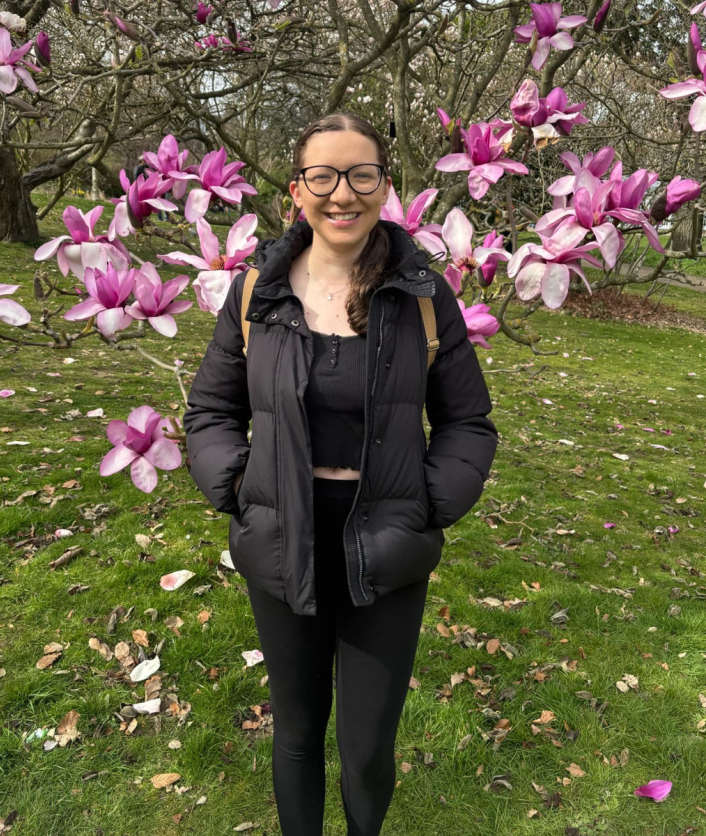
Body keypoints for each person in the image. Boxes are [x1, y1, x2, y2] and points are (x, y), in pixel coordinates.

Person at [183, 113, 498, 836]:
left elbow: (468, 423)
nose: (342, 193)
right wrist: (235, 488)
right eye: (322, 176)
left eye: (361, 174)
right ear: (298, 190)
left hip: (386, 537)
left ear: (384, 186)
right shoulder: (254, 294)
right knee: (295, 732)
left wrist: (428, 505)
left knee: (364, 748)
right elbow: (210, 410)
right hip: (282, 534)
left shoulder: (422, 295)